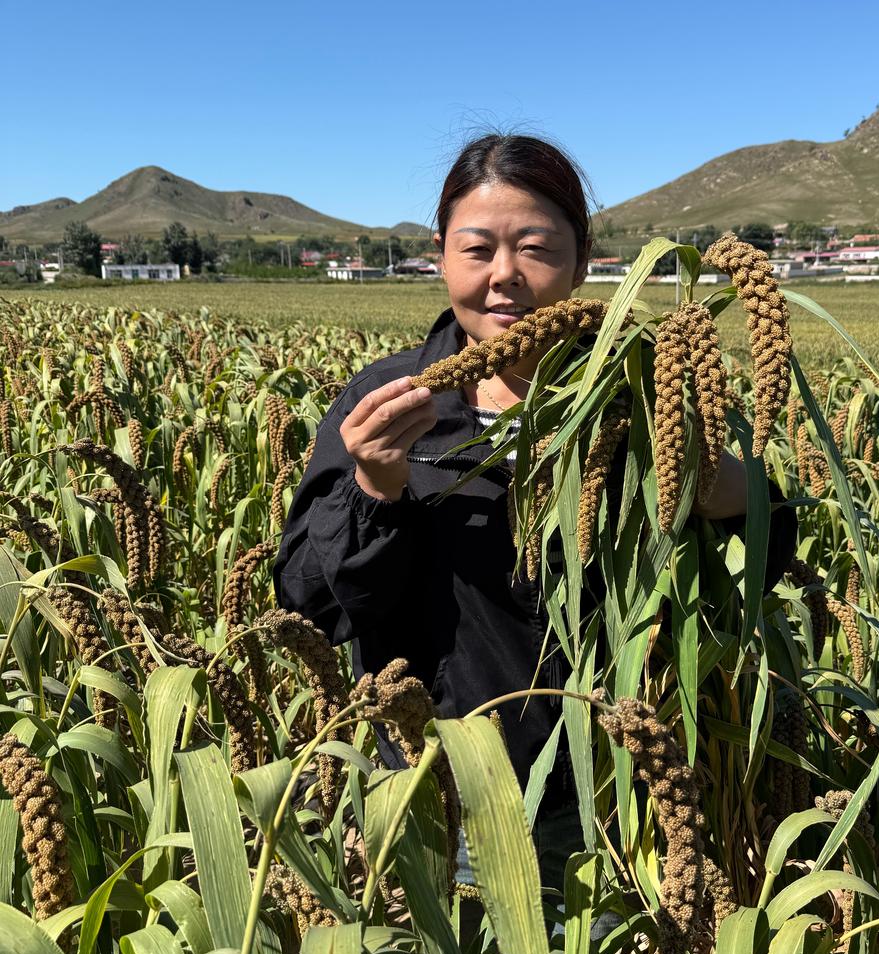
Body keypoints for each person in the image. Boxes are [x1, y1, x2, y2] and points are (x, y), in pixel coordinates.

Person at [273, 133, 797, 898]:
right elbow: (311, 607)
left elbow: (761, 568)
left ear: (583, 260)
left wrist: (713, 484)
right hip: (441, 788)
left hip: (620, 797)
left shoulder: (655, 398)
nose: (504, 278)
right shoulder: (387, 402)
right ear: (441, 256)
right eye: (477, 249)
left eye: (535, 249)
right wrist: (375, 484)